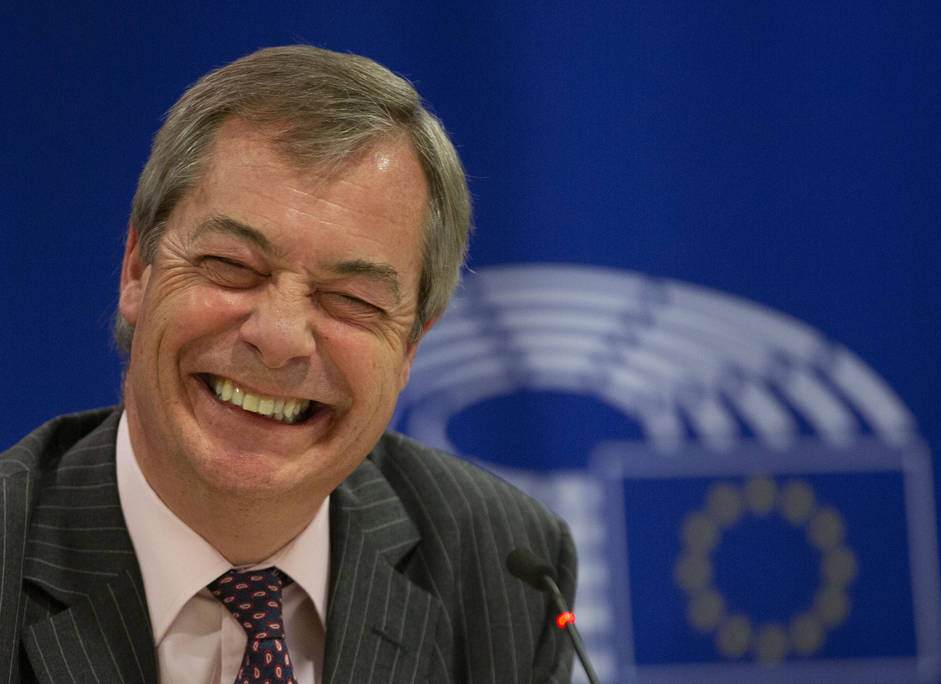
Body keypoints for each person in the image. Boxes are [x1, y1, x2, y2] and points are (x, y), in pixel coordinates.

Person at [0, 45, 576, 683]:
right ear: (137, 269)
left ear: (411, 346)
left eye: (350, 300)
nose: (279, 338)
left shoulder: (501, 564)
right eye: (233, 267)